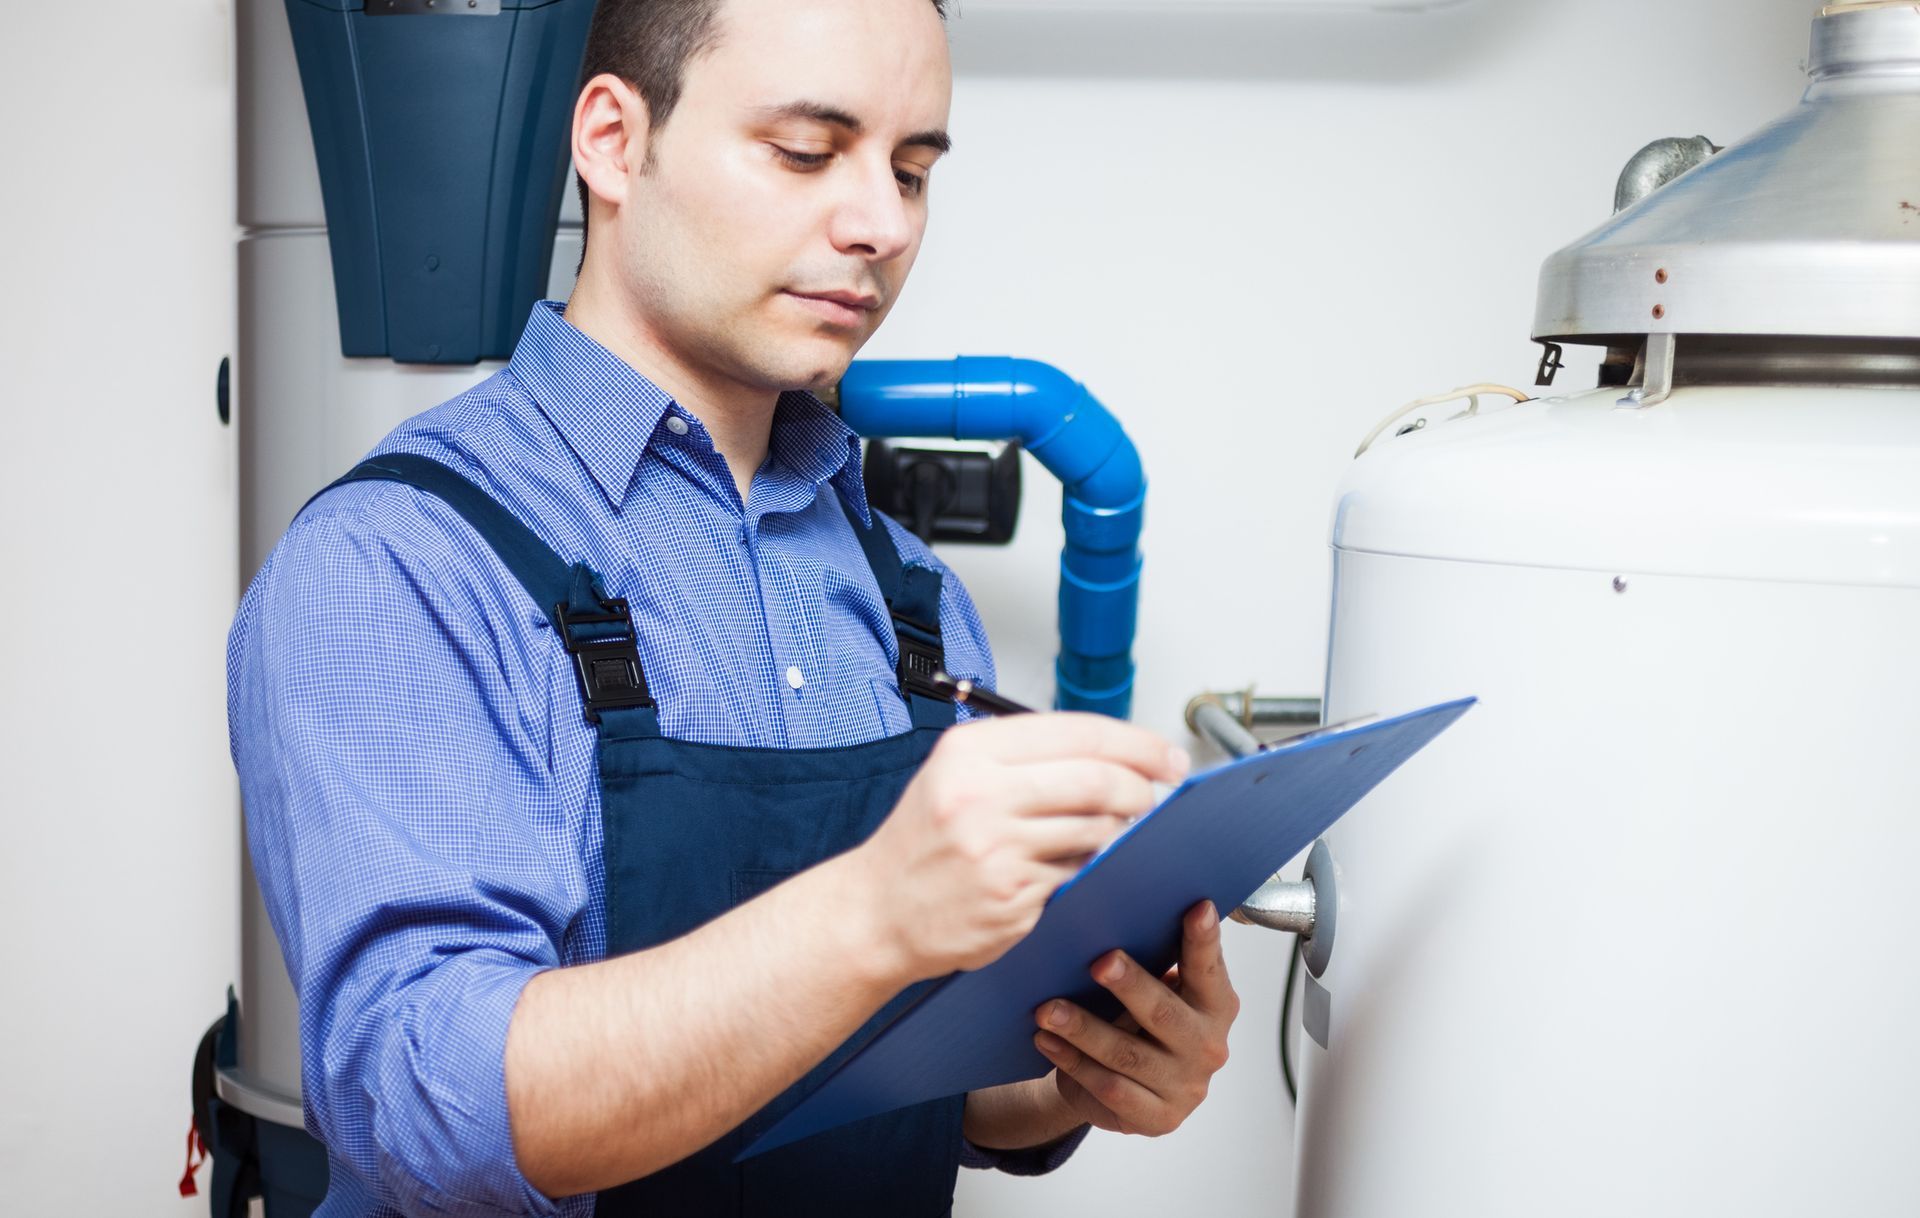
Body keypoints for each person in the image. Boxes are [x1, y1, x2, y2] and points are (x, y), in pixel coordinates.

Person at [229, 0, 1241, 1213]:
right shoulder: (399, 560)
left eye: (912, 171)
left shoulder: (909, 593)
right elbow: (421, 1111)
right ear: (613, 140)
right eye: (807, 152)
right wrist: (871, 914)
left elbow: (913, 1084)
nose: (880, 225)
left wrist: (1078, 1077)